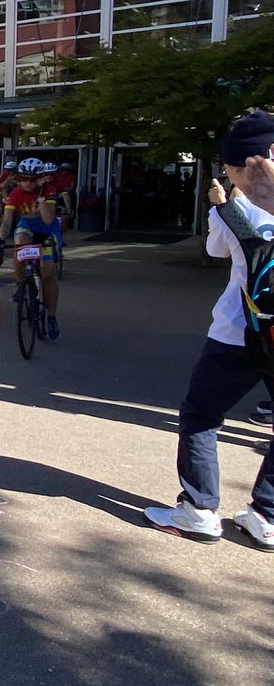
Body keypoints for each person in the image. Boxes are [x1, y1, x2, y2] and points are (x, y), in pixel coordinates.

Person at [143, 113, 274, 549]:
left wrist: (224, 204)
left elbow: (218, 251)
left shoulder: (233, 209)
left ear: (243, 166)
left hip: (239, 332)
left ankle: (199, 509)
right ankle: (266, 515)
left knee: (201, 417)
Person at [0, 157, 61, 339]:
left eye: (32, 179)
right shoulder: (16, 193)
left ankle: (51, 316)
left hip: (47, 231)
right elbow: (8, 220)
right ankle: (21, 283)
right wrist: (1, 240)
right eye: (24, 178)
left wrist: (41, 201)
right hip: (27, 227)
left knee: (48, 275)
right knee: (20, 245)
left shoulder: (49, 191)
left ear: (40, 178)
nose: (28, 183)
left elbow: (49, 220)